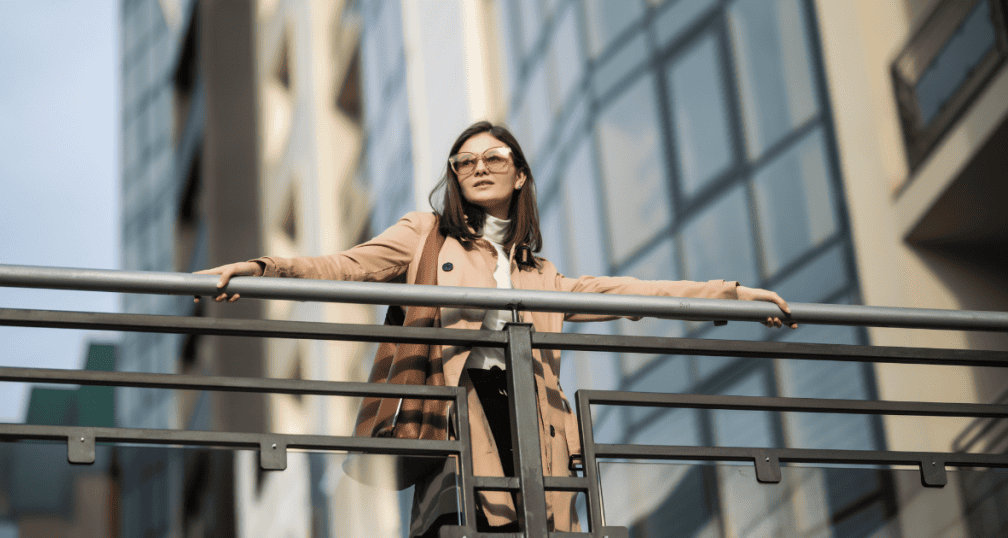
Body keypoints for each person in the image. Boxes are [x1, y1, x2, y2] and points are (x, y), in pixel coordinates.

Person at [196, 120, 796, 535]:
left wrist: (731, 296)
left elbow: (631, 294)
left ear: (521, 176)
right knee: (467, 522)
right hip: (458, 412)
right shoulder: (424, 235)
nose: (479, 168)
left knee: (541, 523)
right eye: (465, 162)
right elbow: (345, 266)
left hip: (536, 421)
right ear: (454, 178)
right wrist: (262, 269)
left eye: (494, 158)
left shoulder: (541, 272)